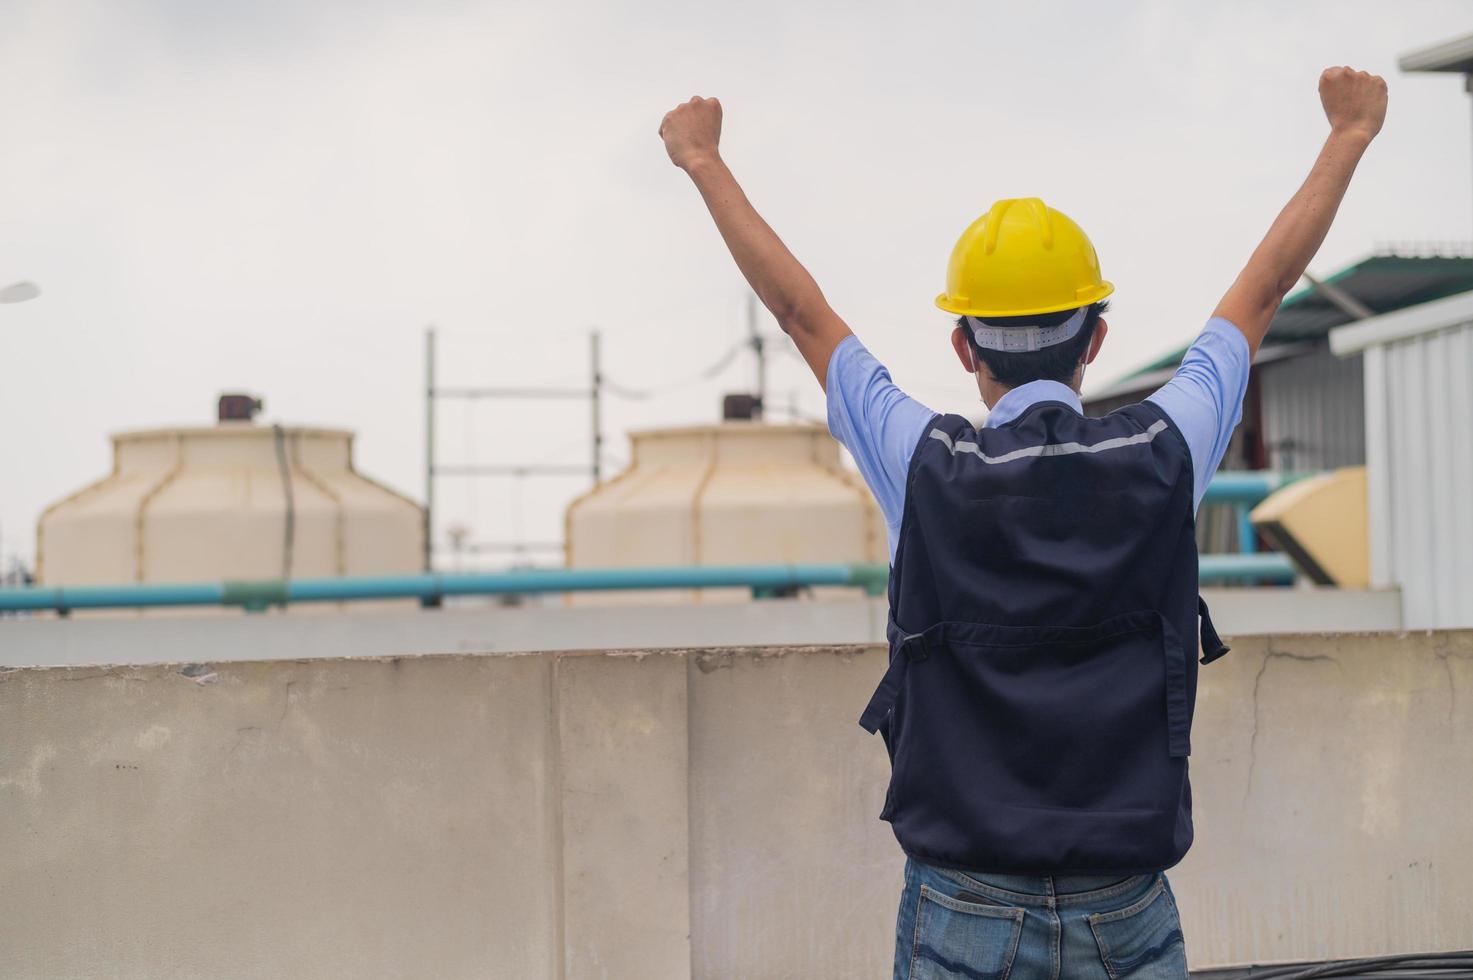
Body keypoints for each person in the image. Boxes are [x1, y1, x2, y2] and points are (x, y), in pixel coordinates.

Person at [660, 66, 1387, 980]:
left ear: (962, 345)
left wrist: (702, 159)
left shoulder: (921, 463)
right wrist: (1346, 135)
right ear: (1096, 339)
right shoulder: (1170, 450)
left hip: (961, 903)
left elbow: (800, 314)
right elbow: (1265, 289)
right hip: (1124, 904)